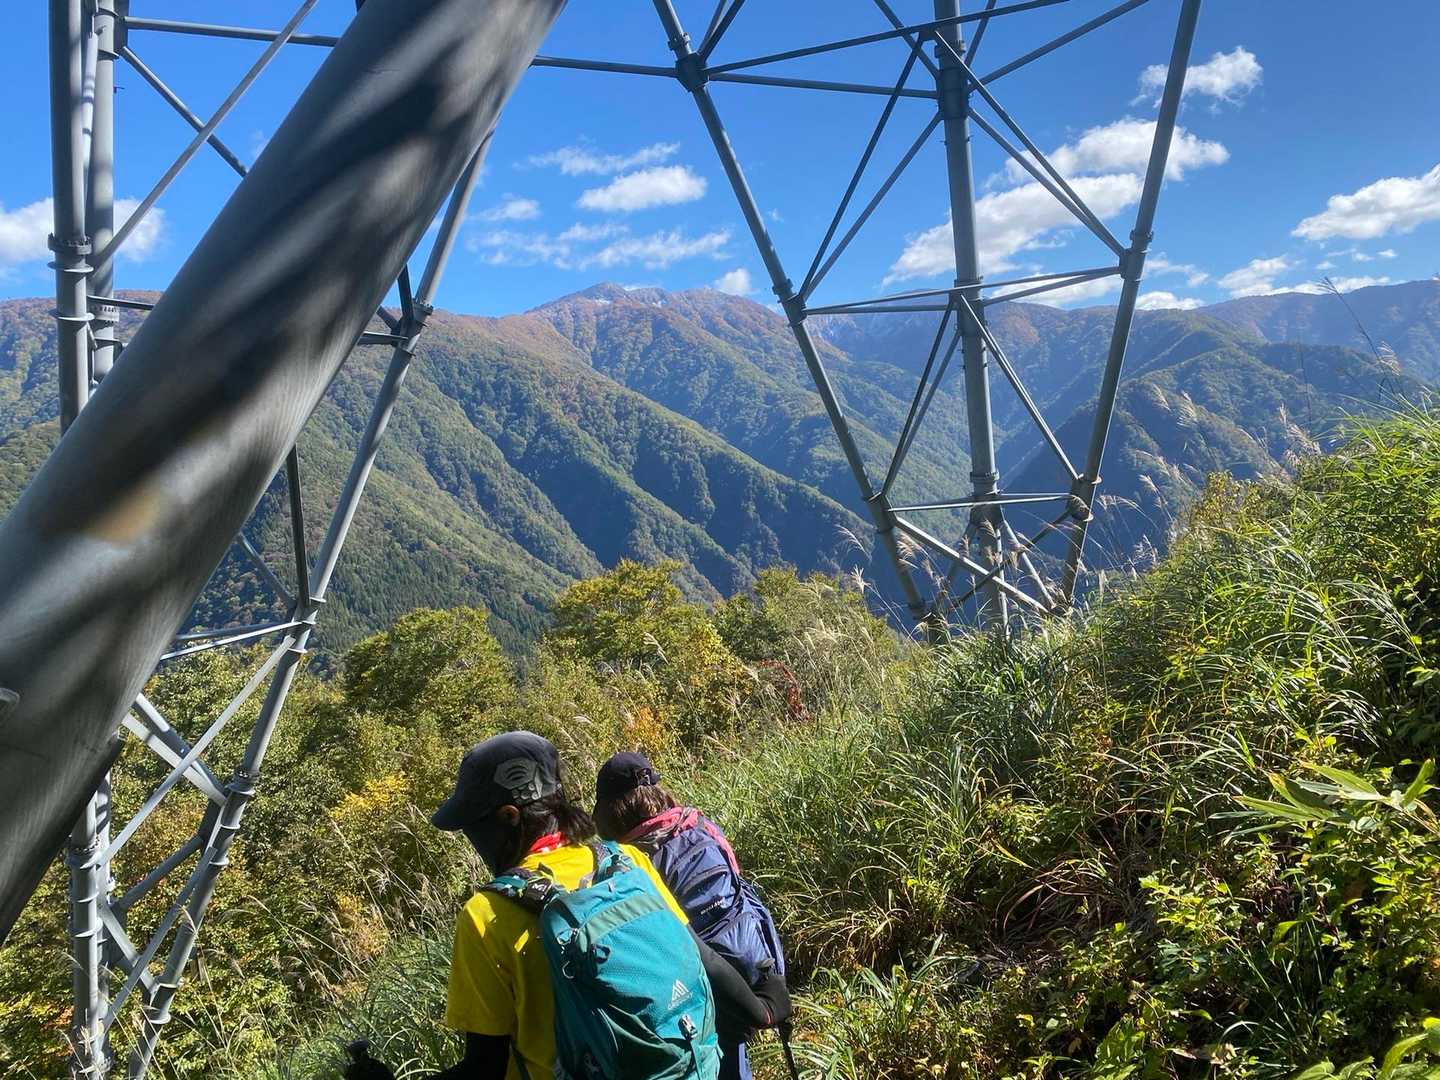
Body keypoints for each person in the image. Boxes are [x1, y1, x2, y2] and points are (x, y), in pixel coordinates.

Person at [348, 731, 788, 1080]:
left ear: (509, 817)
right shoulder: (624, 862)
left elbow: (485, 1068)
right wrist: (765, 1008)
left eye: (473, 826)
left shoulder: (485, 917)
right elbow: (700, 957)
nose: (472, 839)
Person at [593, 752, 789, 1080]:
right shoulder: (699, 825)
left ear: (607, 811)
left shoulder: (626, 863)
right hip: (746, 966)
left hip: (690, 994)